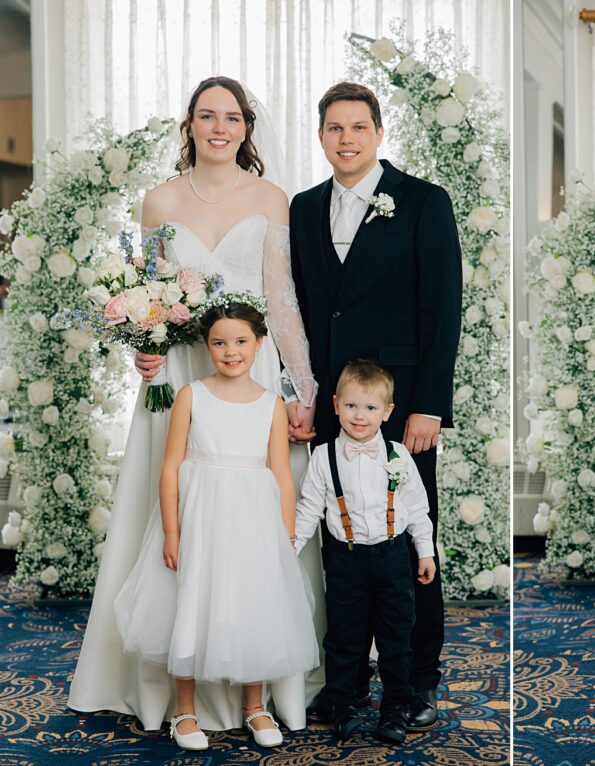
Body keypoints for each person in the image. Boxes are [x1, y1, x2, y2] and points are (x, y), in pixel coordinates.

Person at [69, 76, 326, 732]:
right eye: (207, 116)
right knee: (174, 508)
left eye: (232, 117)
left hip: (254, 368)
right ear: (188, 125)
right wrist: (143, 347)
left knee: (256, 525)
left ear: (246, 127)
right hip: (180, 374)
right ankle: (171, 684)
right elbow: (148, 294)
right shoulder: (157, 203)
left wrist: (300, 391)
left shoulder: (272, 198)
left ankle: (260, 684)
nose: (220, 127)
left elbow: (284, 302)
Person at [288, 81, 462, 729]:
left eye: (359, 127)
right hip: (332, 399)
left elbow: (443, 311)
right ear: (321, 135)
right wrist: (302, 396)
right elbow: (300, 310)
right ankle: (346, 682)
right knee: (341, 544)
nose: (347, 138)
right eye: (334, 128)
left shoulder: (422, 202)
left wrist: (429, 407)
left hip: (396, 404)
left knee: (407, 542)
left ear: (380, 133)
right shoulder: (304, 208)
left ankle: (415, 678)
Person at [114, 298, 320, 750]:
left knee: (253, 605)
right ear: (206, 346)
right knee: (189, 602)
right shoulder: (192, 395)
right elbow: (170, 467)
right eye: (220, 343)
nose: (231, 351)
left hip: (253, 523)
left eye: (241, 341)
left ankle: (254, 704)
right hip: (200, 520)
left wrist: (285, 535)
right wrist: (172, 530)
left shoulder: (270, 405)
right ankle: (184, 711)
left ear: (260, 344)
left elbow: (282, 475)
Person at [293, 360, 435, 744]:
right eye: (352, 405)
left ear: (387, 412)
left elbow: (417, 508)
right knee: (343, 637)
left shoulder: (398, 456)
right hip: (346, 559)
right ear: (336, 404)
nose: (360, 416)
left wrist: (425, 552)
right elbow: (308, 509)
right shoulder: (323, 457)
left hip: (392, 559)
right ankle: (341, 704)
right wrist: (289, 549)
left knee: (396, 638)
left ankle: (396, 707)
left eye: (371, 408)